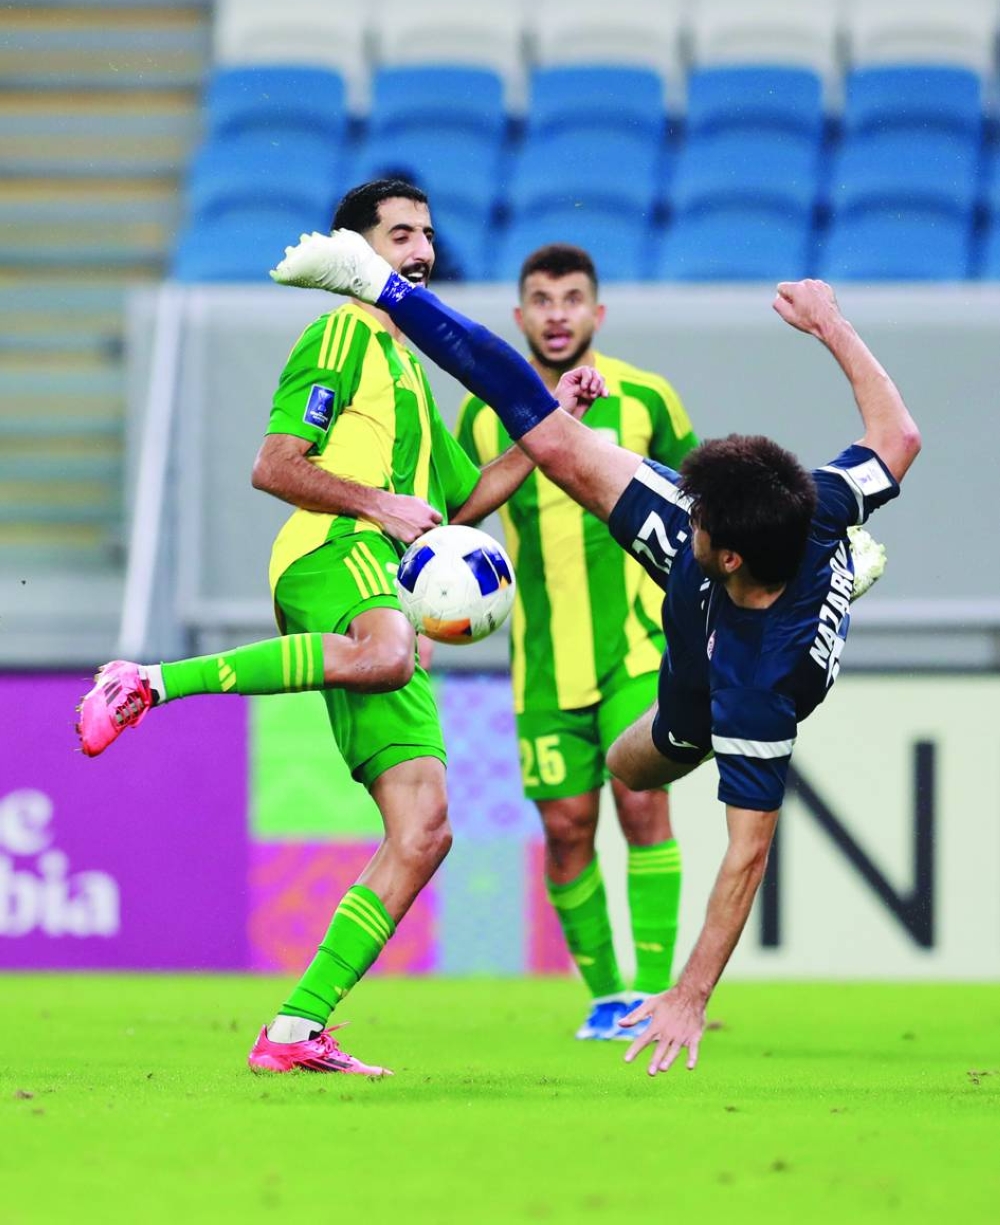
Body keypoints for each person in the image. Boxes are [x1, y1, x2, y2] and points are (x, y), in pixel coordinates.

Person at [268, 229, 921, 1075]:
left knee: (644, 770)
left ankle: (837, 588)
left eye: (700, 522)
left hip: (719, 682)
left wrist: (689, 994)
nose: (687, 517)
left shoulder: (762, 688)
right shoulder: (815, 499)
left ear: (722, 553)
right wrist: (831, 322)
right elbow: (899, 433)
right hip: (732, 593)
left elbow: (747, 852)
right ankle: (373, 281)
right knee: (546, 443)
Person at [76, 179, 603, 1077]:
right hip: (331, 550)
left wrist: (555, 428)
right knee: (390, 651)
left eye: (426, 236)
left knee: (425, 826)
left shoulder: (412, 373)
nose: (420, 251)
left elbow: (458, 503)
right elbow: (273, 465)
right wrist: (376, 504)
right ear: (358, 251)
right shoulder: (338, 335)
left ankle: (295, 1027)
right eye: (399, 235)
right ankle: (149, 680)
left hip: (381, 583)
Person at [455, 244, 697, 1041]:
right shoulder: (481, 407)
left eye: (571, 298)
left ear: (597, 313)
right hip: (543, 665)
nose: (557, 312)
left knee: (641, 798)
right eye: (540, 299)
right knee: (564, 828)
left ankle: (658, 993)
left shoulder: (649, 397)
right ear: (519, 316)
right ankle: (607, 996)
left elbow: (699, 500)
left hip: (637, 647)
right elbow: (461, 519)